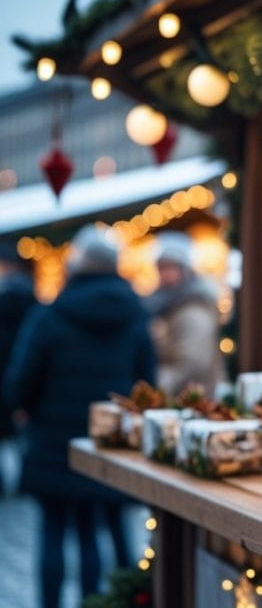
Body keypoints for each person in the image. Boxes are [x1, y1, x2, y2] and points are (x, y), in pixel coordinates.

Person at [2, 225, 156, 608]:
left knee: (53, 532)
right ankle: (91, 602)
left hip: (53, 441)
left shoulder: (52, 313)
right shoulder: (135, 313)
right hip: (107, 441)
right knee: (90, 533)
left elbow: (21, 379)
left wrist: (22, 411)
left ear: (77, 265)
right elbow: (146, 382)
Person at [143, 231, 222, 396]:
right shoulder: (166, 306)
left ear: (184, 269)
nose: (165, 274)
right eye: (162, 268)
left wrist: (155, 389)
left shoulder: (193, 311)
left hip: (190, 401)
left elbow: (191, 364)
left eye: (170, 267)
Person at [0, 240, 37, 494]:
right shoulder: (34, 303)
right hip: (19, 374)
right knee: (21, 437)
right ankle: (23, 480)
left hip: (9, 373)